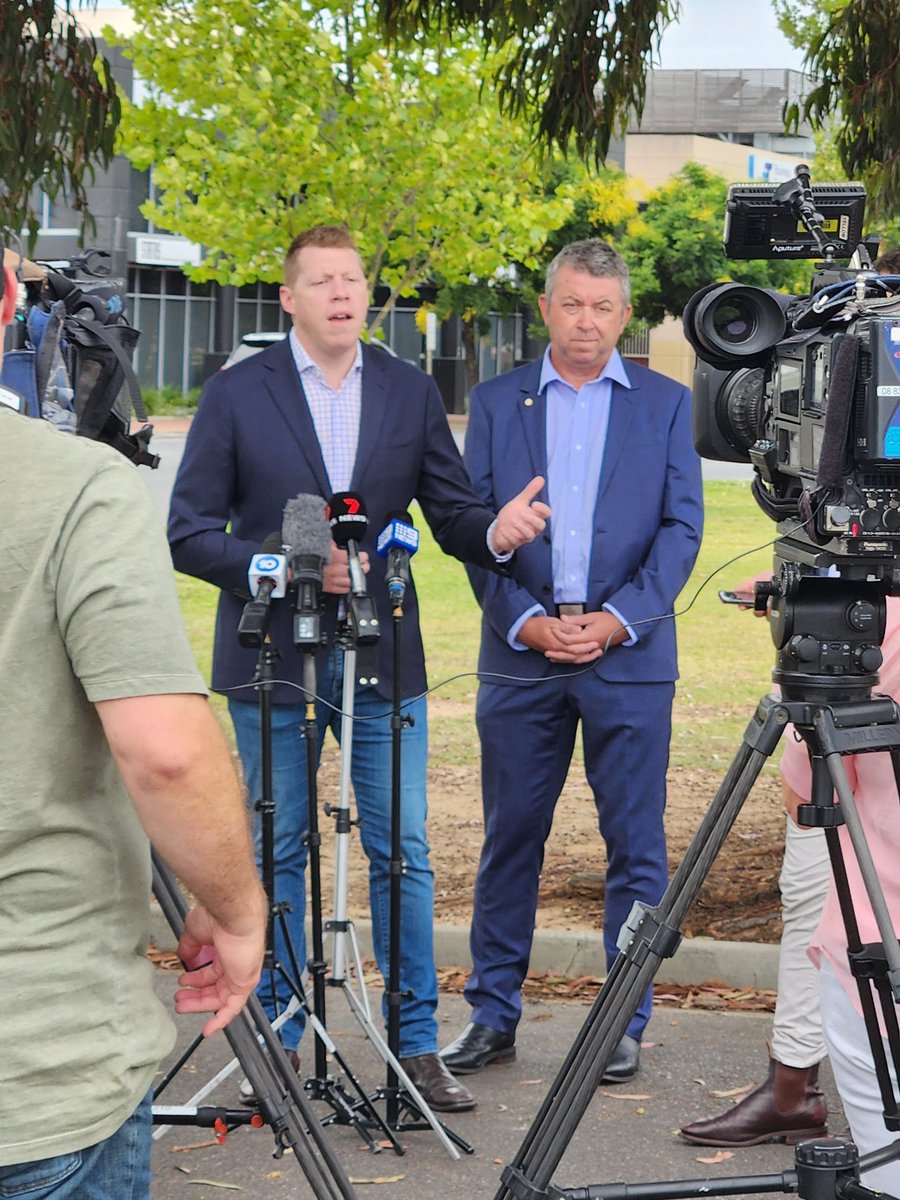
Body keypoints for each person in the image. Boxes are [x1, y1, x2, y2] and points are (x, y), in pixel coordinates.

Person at [168, 224, 549, 1113]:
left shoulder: (410, 393)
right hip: (271, 655)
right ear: (288, 298)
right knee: (277, 847)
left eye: (354, 279)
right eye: (324, 281)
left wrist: (497, 533)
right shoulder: (236, 395)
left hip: (383, 656)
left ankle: (414, 1048)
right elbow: (189, 534)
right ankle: (278, 1045)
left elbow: (454, 513)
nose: (343, 293)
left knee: (403, 854)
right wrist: (286, 566)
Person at [440, 239, 704, 1085]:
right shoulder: (495, 401)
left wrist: (620, 620)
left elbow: (682, 529)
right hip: (522, 658)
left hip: (628, 660)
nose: (586, 321)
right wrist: (527, 624)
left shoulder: (665, 404)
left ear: (625, 316)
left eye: (603, 307)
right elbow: (475, 529)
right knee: (511, 837)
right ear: (546, 309)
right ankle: (492, 1014)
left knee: (635, 847)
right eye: (571, 304)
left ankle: (624, 1020)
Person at [0, 376, 266, 1192]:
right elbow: (167, 755)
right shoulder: (74, 482)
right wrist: (239, 911)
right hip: (36, 1073)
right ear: (9, 298)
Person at [781, 595, 900, 1194]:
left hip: (875, 947)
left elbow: (811, 801)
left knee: (887, 1173)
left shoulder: (878, 626)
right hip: (875, 948)